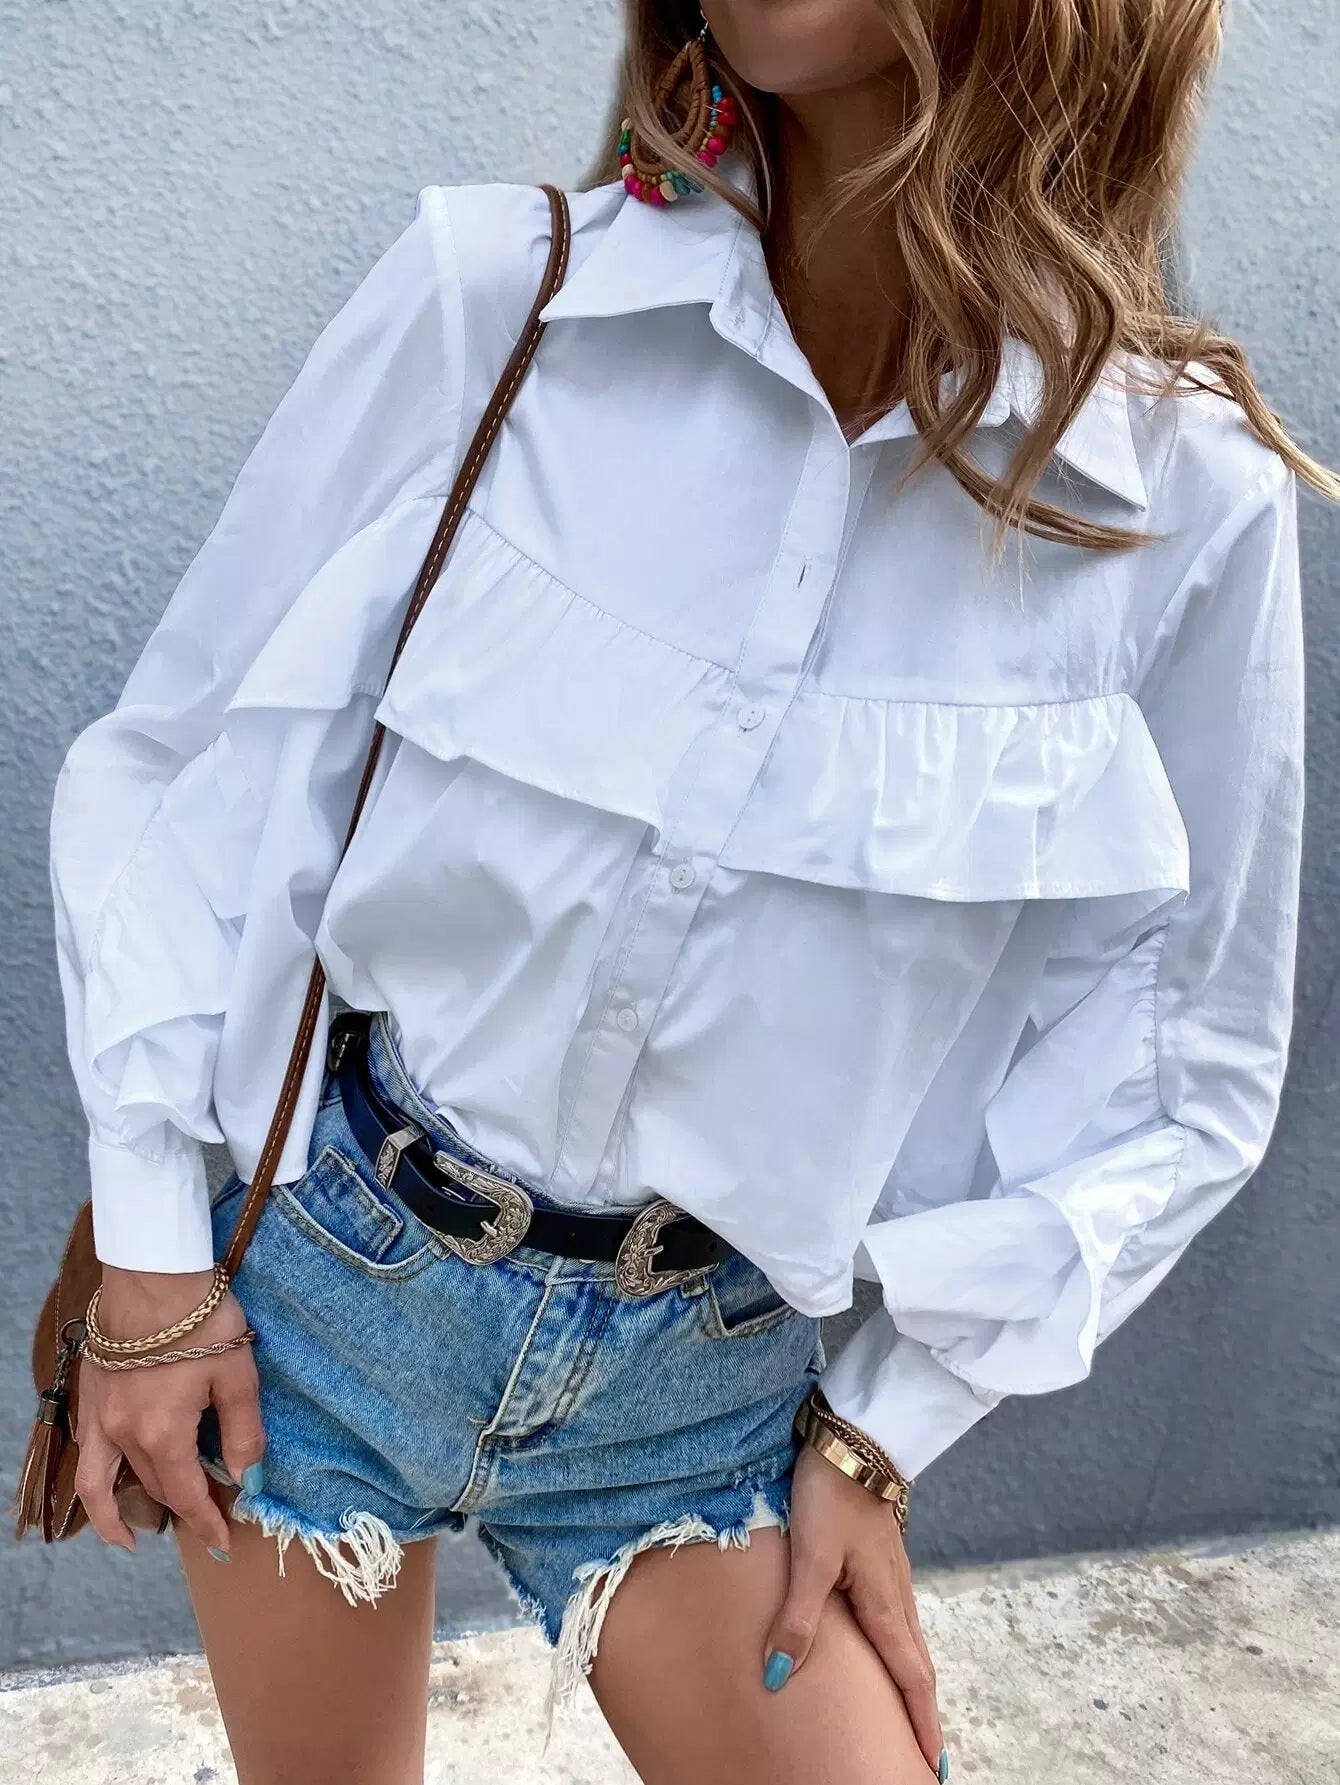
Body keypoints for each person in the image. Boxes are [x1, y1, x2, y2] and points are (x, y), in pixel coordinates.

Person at [50, 3, 1334, 1782]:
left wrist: (885, 1424)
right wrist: (149, 1254)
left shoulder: (1177, 500)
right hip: (335, 1285)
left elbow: (1186, 1063)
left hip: (700, 1383)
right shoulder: (508, 301)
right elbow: (193, 762)